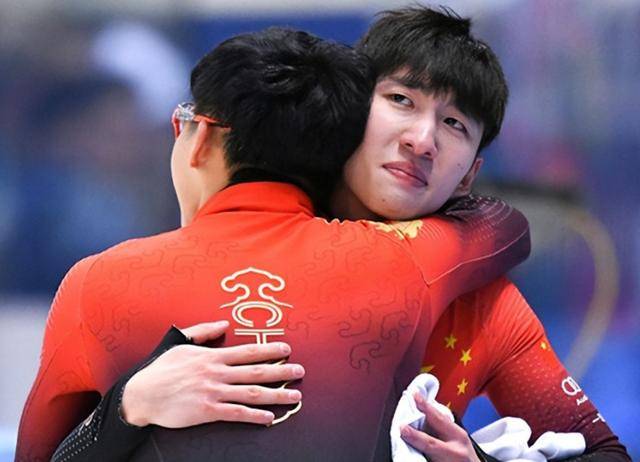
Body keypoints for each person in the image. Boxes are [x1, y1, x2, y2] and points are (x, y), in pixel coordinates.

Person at [15, 26, 529, 462]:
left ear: (201, 137)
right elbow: (506, 224)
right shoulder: (404, 259)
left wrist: (127, 407)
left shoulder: (96, 282)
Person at [345, 6, 629, 461]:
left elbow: (607, 454)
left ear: (469, 175)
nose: (422, 140)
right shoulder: (267, 231)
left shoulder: (487, 308)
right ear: (348, 108)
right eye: (401, 99)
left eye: (454, 123)